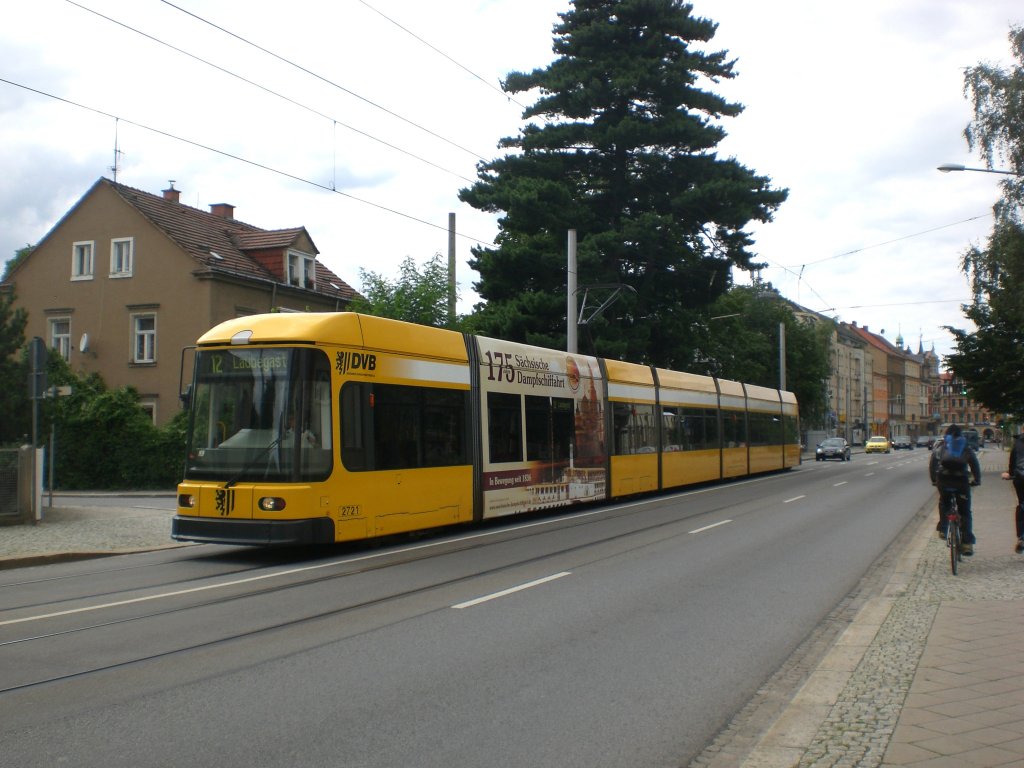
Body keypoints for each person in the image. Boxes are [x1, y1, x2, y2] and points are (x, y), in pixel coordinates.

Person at [929, 424, 982, 555]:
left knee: (944, 503)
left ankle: (943, 528)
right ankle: (967, 544)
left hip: (944, 480)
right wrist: (977, 480)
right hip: (961, 482)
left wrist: (934, 480)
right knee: (965, 512)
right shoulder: (966, 447)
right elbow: (974, 464)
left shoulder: (941, 446)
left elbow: (933, 463)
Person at [1000, 431, 1024, 554]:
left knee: (1022, 505)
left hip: (1021, 478)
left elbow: (1012, 461)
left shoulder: (1018, 443)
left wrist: (1010, 474)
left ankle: (1021, 537)